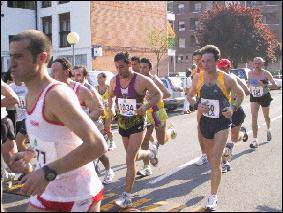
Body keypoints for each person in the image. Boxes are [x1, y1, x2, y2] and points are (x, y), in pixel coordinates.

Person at [9, 29, 107, 212]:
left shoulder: (56, 95)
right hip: (47, 191)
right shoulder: (31, 93)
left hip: (76, 195)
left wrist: (46, 173)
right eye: (11, 56)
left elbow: (97, 145)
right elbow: (52, 139)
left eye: (19, 57)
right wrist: (30, 154)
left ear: (41, 58)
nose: (11, 65)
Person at [187, 45, 245, 211]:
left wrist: (233, 108)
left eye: (208, 61)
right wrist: (197, 105)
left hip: (221, 123)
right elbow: (189, 96)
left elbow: (241, 94)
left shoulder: (226, 79)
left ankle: (213, 196)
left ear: (217, 62)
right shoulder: (198, 77)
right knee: (210, 155)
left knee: (215, 160)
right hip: (205, 122)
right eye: (203, 61)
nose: (205, 64)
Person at [106, 52, 162, 208]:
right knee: (135, 155)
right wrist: (110, 112)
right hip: (123, 123)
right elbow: (110, 96)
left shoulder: (141, 80)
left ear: (129, 63)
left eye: (122, 66)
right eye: (116, 67)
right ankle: (150, 153)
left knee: (129, 159)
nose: (119, 70)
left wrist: (145, 106)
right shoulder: (114, 81)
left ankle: (127, 196)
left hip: (138, 123)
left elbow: (158, 94)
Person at [52, 58, 115, 185]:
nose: (76, 77)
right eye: (74, 75)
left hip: (92, 125)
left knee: (98, 153)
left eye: (79, 75)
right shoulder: (58, 89)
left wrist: (80, 121)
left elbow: (99, 111)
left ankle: (108, 170)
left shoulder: (87, 89)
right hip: (73, 129)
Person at [137, 58, 174, 176]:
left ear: (150, 68)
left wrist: (154, 97)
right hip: (146, 113)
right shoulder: (139, 80)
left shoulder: (155, 80)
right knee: (144, 140)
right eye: (141, 67)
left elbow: (167, 94)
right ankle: (147, 167)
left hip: (158, 112)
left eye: (145, 67)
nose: (142, 70)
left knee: (161, 140)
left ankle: (171, 131)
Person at [217, 58, 250, 172]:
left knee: (234, 138)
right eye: (220, 68)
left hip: (236, 112)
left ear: (229, 68)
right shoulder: (216, 79)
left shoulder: (234, 78)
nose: (221, 70)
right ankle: (225, 163)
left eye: (224, 68)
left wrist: (235, 98)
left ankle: (243, 132)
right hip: (222, 113)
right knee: (221, 141)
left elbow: (246, 91)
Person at [247, 57, 279, 149]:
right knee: (254, 116)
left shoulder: (266, 73)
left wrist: (265, 84)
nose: (257, 65)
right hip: (254, 96)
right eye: (255, 63)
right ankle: (255, 139)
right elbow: (249, 83)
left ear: (262, 64)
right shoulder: (250, 73)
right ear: (253, 64)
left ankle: (268, 129)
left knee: (266, 116)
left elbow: (275, 85)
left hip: (264, 96)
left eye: (259, 63)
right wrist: (248, 85)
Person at [95, 72, 117, 151]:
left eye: (100, 78)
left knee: (107, 127)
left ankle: (112, 142)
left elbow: (113, 98)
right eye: (97, 78)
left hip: (109, 111)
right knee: (102, 128)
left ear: (105, 78)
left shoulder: (109, 88)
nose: (98, 80)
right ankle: (104, 141)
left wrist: (111, 107)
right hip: (100, 111)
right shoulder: (95, 88)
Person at [9, 72, 29, 152]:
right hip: (16, 118)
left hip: (27, 117)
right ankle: (30, 157)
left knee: (19, 141)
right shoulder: (10, 87)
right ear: (11, 76)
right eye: (13, 74)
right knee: (18, 144)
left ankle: (33, 155)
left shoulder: (27, 86)